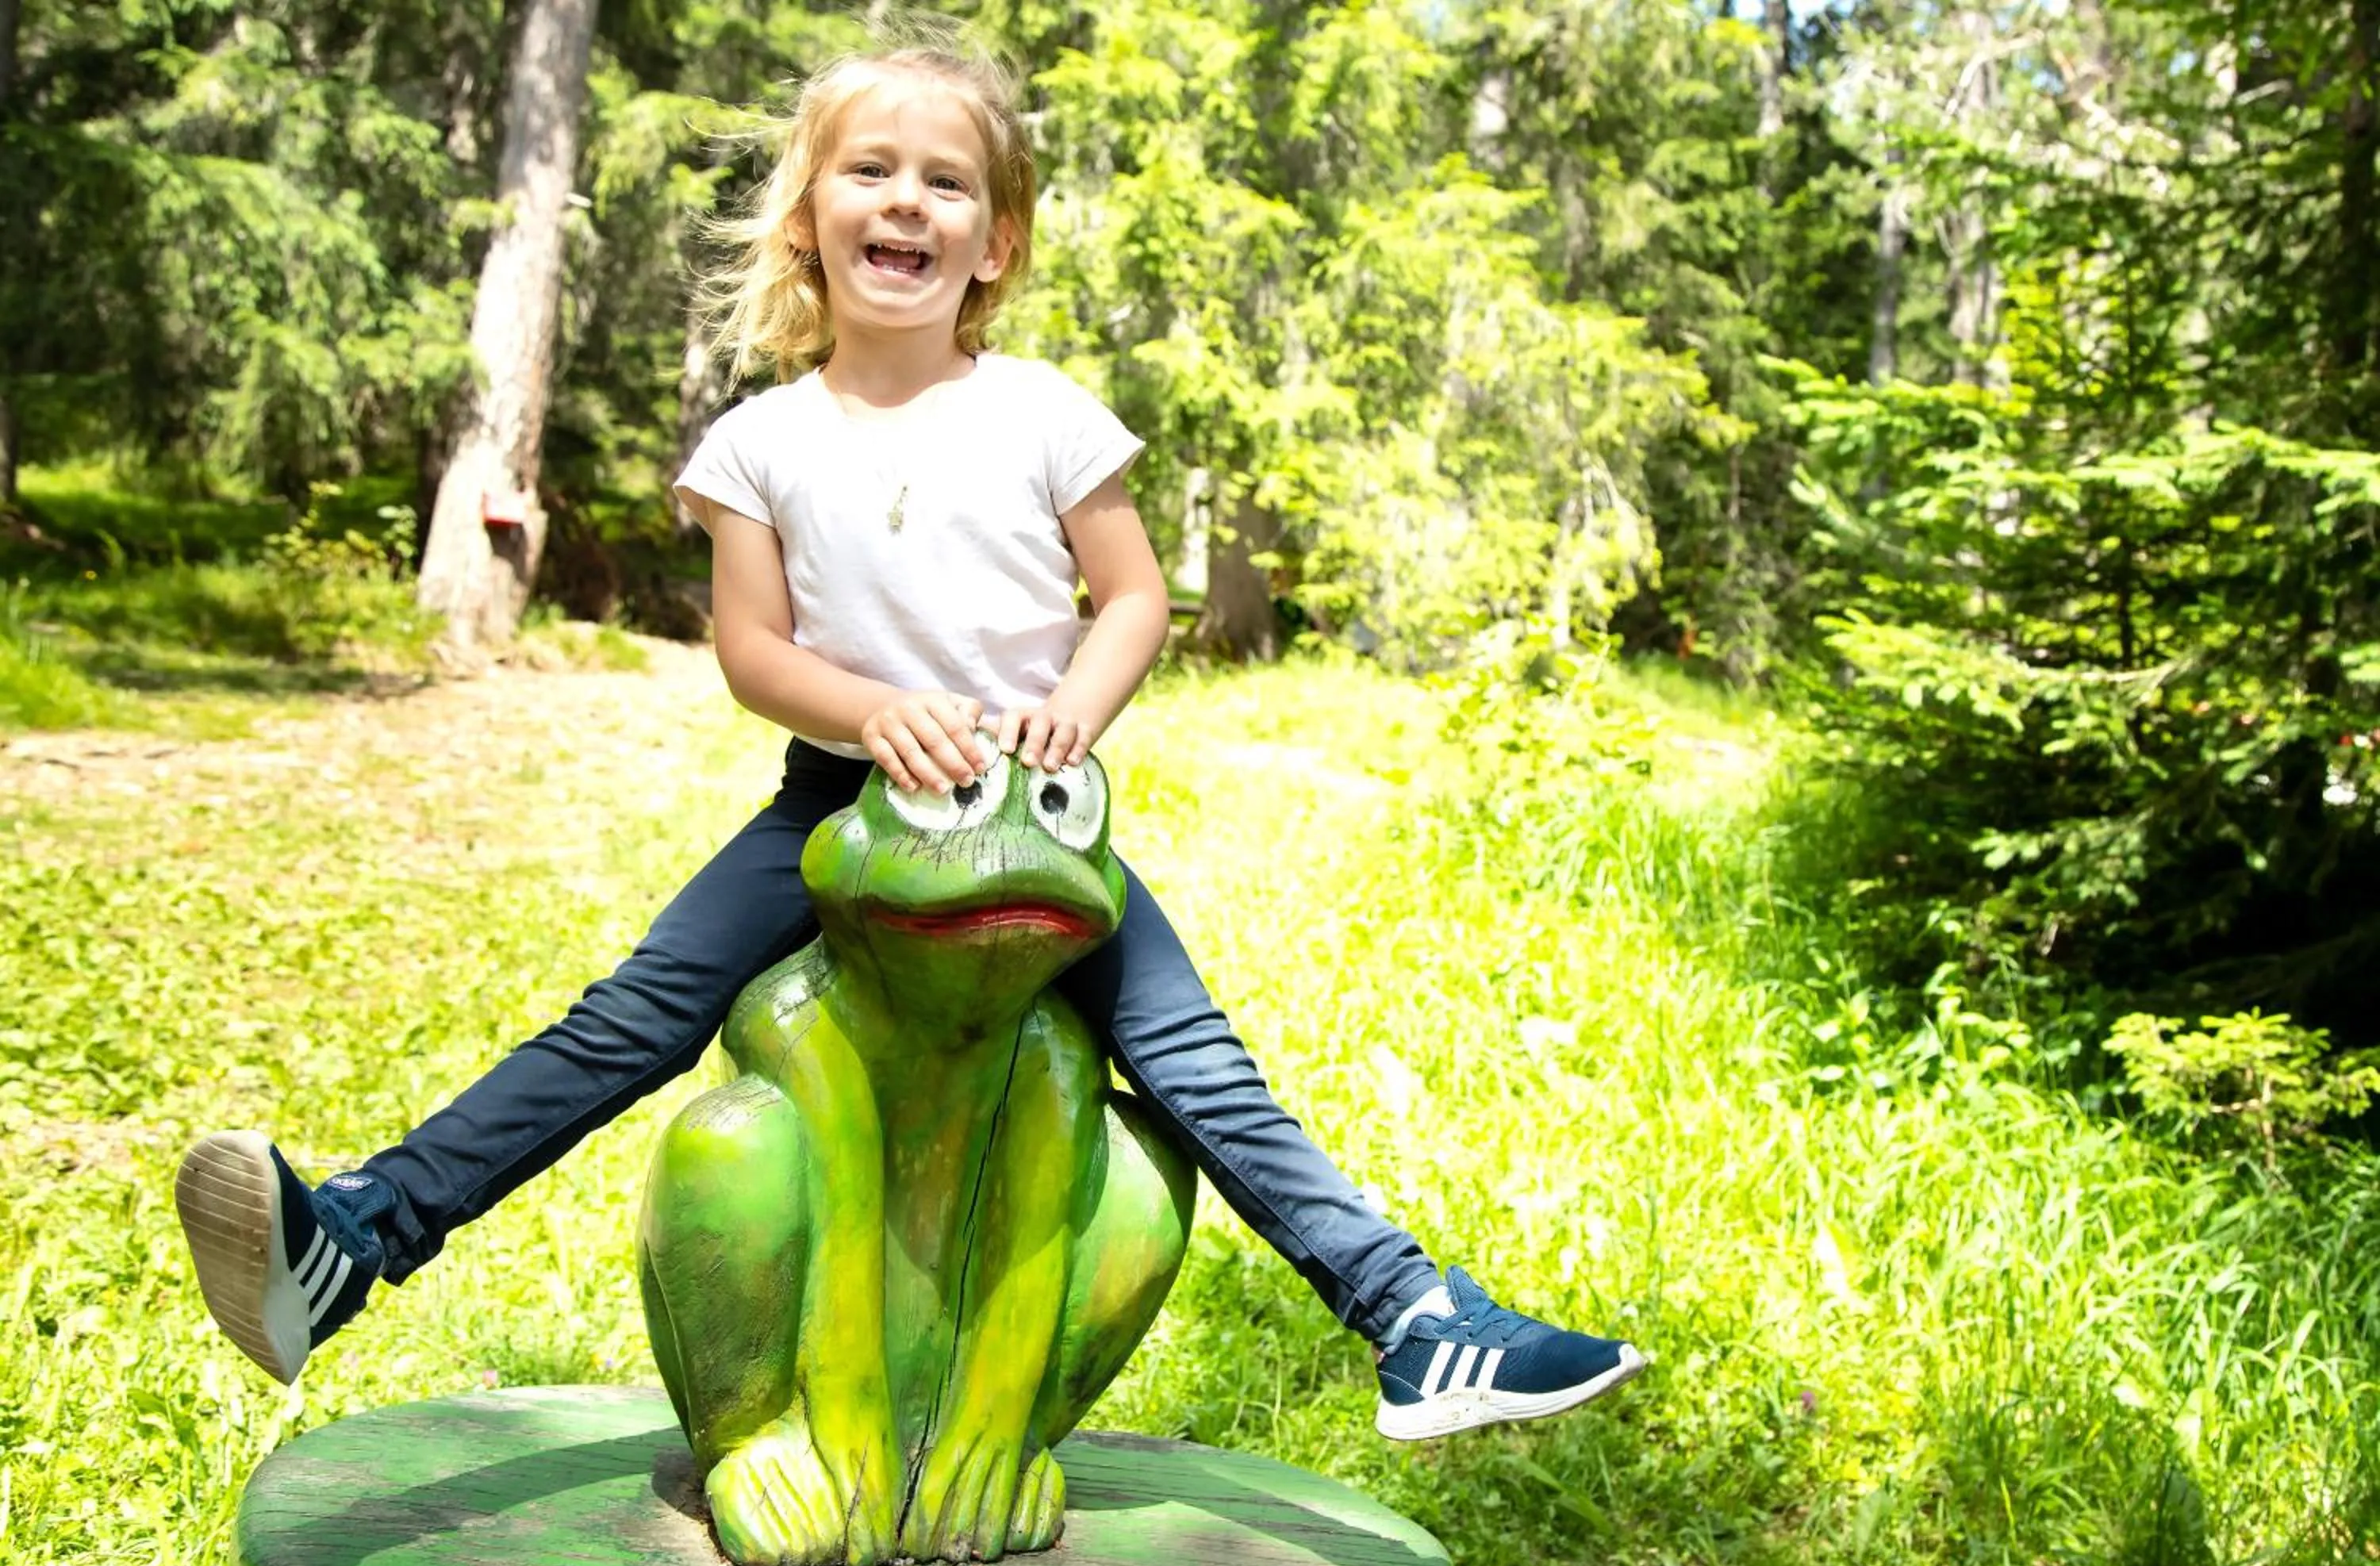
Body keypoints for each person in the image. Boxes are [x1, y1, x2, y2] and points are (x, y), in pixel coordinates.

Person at [173, 40, 1645, 1444]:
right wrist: (873, 715)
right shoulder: (760, 443)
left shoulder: (1045, 414)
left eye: (946, 183)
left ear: (993, 242)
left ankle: (1413, 1320)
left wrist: (1078, 699)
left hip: (1039, 805)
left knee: (1194, 1058)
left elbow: (1133, 596)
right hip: (835, 799)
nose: (907, 202)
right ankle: (360, 1241)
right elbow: (753, 654)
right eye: (870, 172)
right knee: (633, 1016)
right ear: (811, 219)